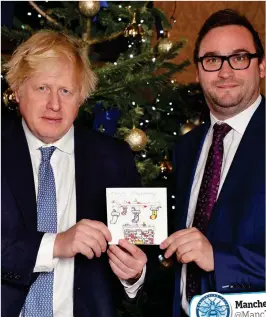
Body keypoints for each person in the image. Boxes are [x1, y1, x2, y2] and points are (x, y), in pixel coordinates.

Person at [1, 30, 147, 317]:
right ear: (17, 91)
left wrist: (133, 275)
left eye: (66, 91)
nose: (55, 104)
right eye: (42, 88)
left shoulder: (114, 159)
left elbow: (140, 255)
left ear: (81, 98)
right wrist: (56, 244)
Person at [159, 9, 265, 317]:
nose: (225, 71)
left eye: (239, 57)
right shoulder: (186, 148)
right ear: (197, 72)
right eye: (212, 60)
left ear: (261, 67)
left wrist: (219, 258)